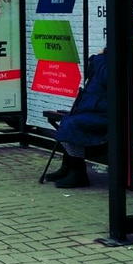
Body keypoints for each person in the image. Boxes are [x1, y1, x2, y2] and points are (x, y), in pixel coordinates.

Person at [43, 50, 108, 189]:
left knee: (71, 125)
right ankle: (67, 166)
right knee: (67, 121)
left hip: (103, 113)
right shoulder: (103, 61)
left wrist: (100, 59)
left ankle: (78, 172)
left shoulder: (106, 63)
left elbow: (105, 77)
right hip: (93, 108)